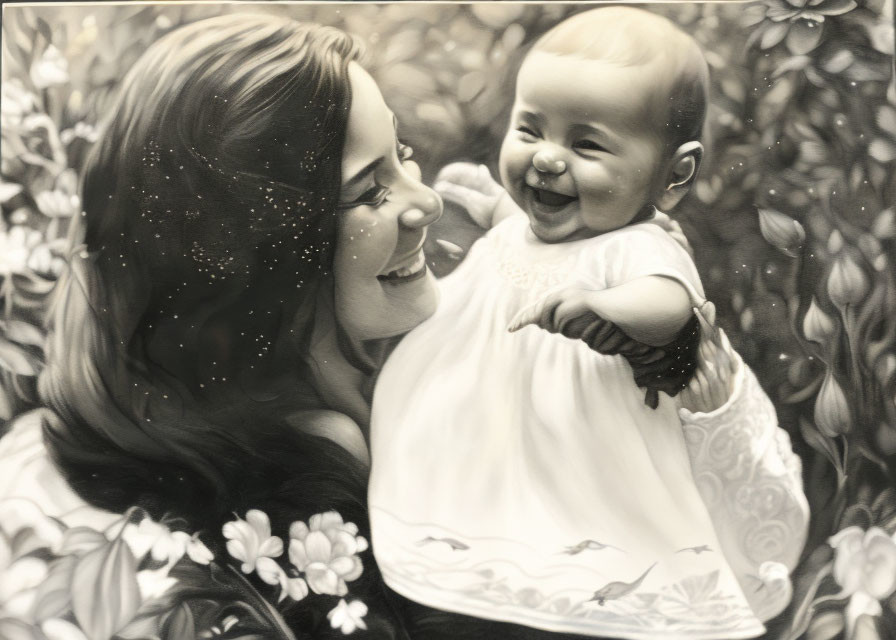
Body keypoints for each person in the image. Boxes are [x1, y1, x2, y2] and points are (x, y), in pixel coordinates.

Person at [0, 10, 806, 640]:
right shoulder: (293, 494)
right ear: (265, 259)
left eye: (405, 155)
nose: (423, 202)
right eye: (370, 190)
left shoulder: (414, 343)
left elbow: (751, 523)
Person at [368, 8, 807, 639]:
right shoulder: (531, 225)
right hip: (482, 427)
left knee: (574, 534)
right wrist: (489, 199)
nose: (546, 160)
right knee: (476, 507)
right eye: (530, 129)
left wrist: (604, 305)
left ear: (673, 174)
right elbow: (515, 237)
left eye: (587, 144)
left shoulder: (636, 247)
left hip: (572, 442)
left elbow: (670, 306)